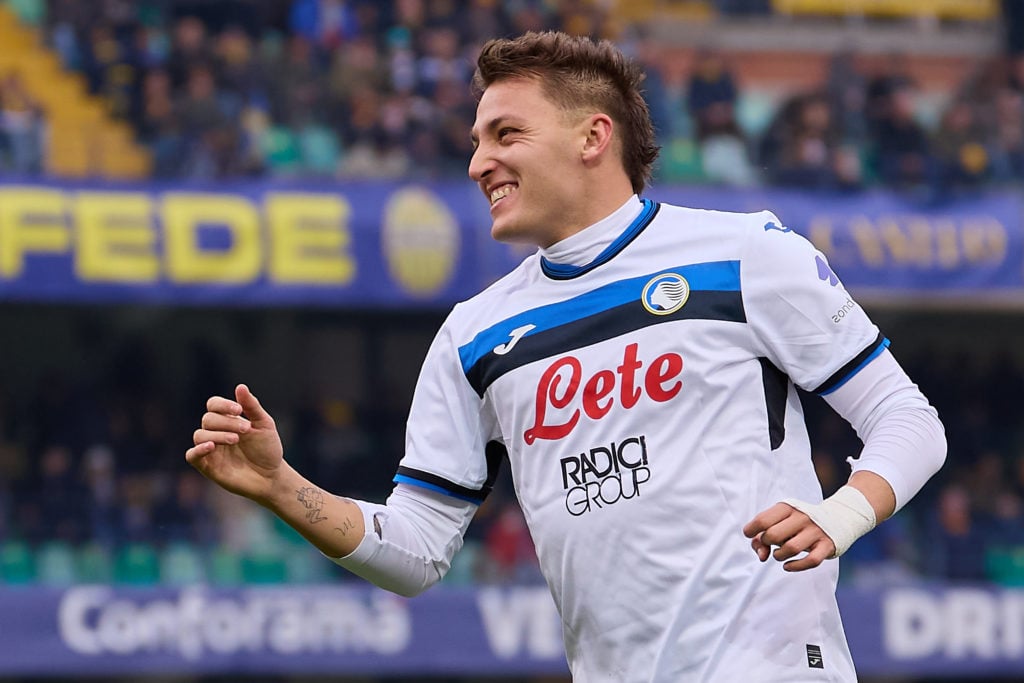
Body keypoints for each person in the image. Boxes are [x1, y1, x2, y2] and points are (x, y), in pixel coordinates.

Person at [186, 31, 947, 682]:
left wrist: (841, 513)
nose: (479, 162)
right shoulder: (472, 334)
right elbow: (416, 549)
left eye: (505, 135)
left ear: (593, 137)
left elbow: (907, 418)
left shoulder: (746, 254)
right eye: (476, 141)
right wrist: (283, 488)